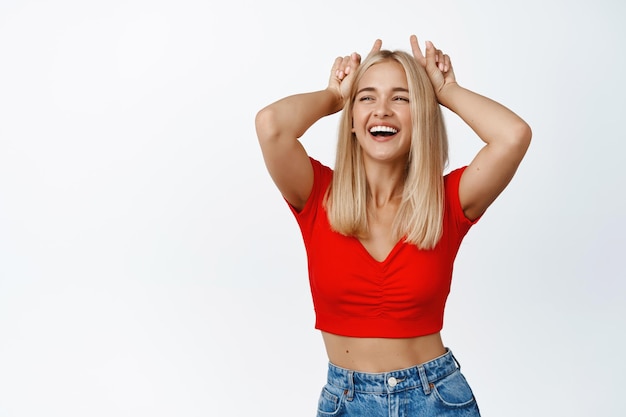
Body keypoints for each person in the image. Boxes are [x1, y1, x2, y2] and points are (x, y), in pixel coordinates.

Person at [255, 35, 531, 417]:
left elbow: (513, 136)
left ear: (421, 116)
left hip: (436, 399)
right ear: (352, 119)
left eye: (401, 98)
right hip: (346, 402)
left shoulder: (445, 202)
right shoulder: (316, 194)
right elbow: (271, 126)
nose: (382, 109)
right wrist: (335, 96)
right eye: (367, 97)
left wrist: (446, 90)